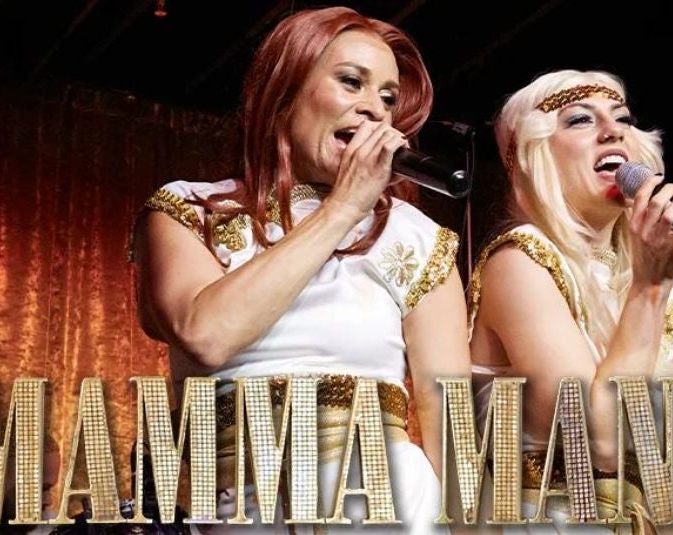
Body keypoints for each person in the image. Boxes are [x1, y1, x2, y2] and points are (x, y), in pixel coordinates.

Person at [131, 6, 470, 533]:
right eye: (351, 82)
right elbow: (206, 335)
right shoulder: (189, 210)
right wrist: (343, 209)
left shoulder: (418, 239)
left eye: (387, 98)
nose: (375, 110)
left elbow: (450, 424)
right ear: (284, 91)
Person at [468, 70, 673, 533]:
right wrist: (648, 290)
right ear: (535, 158)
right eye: (580, 119)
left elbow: (657, 467)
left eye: (623, 118)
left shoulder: (671, 288)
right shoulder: (520, 262)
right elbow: (602, 443)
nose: (613, 131)